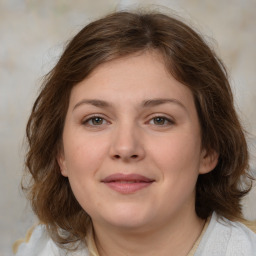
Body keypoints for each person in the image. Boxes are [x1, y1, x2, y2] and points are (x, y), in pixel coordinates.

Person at [14, 10, 256, 256]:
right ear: (60, 154)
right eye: (96, 120)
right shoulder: (35, 249)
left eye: (159, 120)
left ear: (208, 149)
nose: (125, 147)